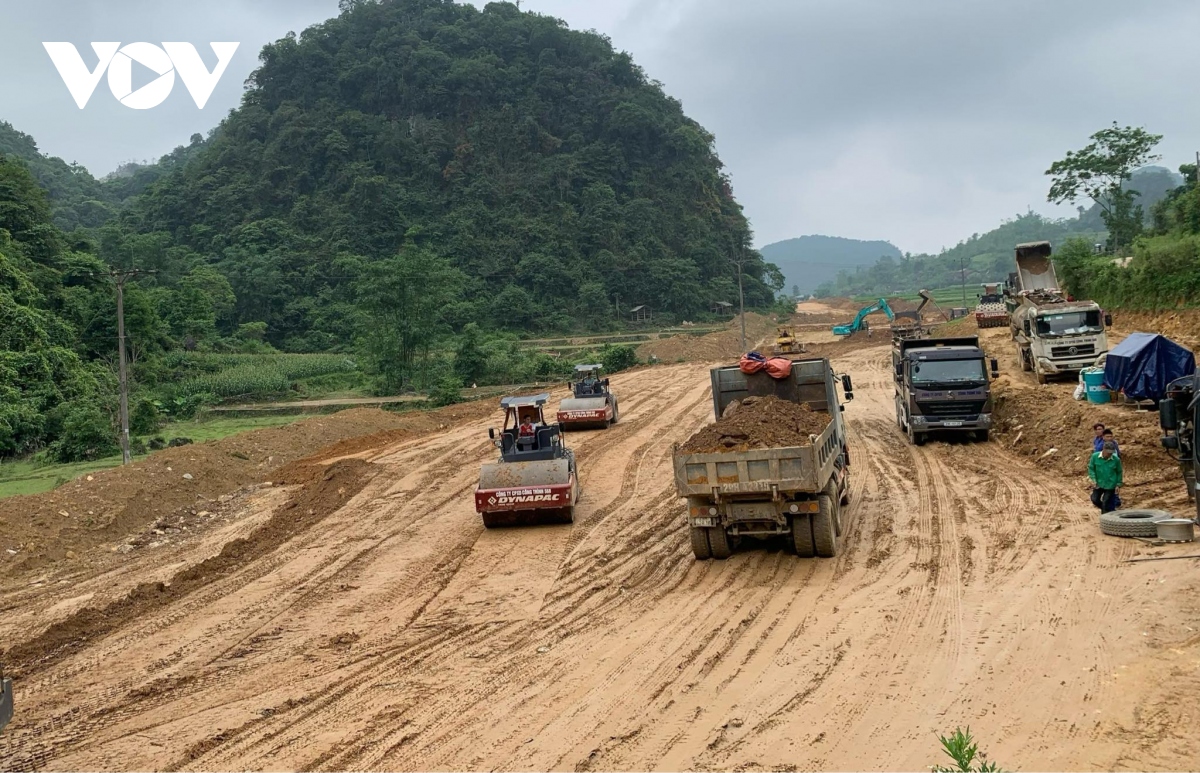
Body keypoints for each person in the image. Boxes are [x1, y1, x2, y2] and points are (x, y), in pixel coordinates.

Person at [1088, 440, 1123, 514]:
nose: (1110, 455)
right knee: (1094, 499)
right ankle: (1109, 511)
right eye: (1108, 453)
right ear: (1103, 449)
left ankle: (1105, 515)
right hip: (1099, 483)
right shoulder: (1095, 456)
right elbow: (1091, 468)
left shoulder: (1116, 460)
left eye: (1111, 453)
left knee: (1105, 501)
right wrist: (1093, 479)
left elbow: (1119, 472)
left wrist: (1118, 484)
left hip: (1110, 484)